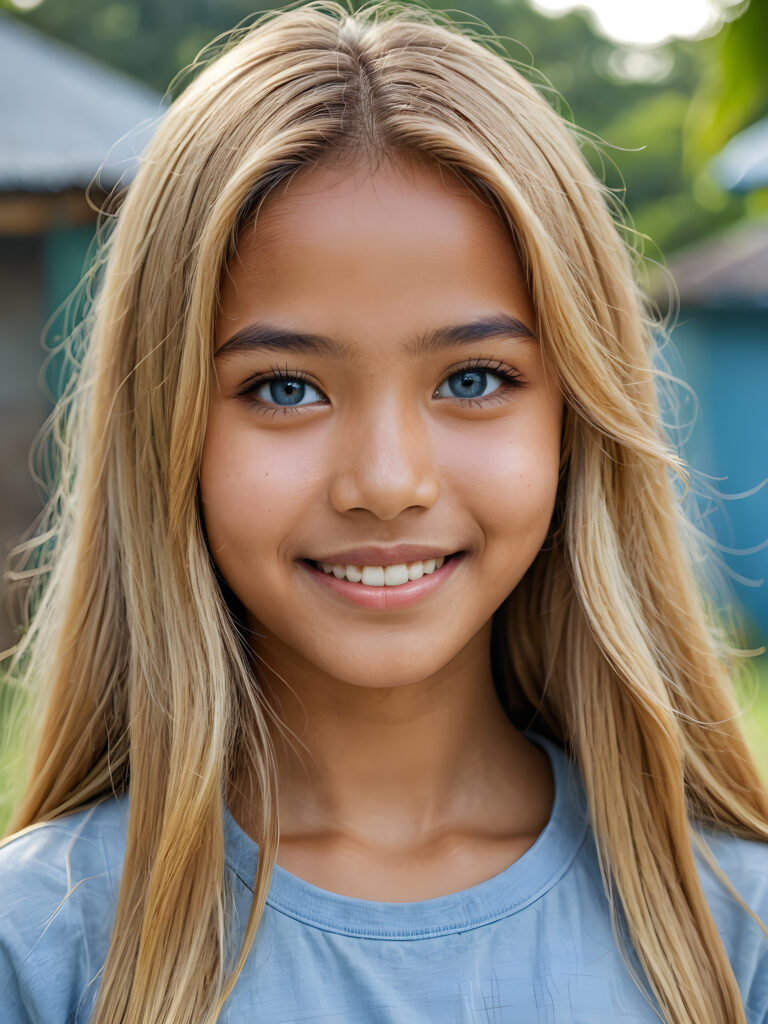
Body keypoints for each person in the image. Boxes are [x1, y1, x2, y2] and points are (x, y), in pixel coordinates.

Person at [1, 1, 766, 1021]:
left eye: (475, 377)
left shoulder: (733, 934)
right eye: (285, 387)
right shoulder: (38, 949)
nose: (388, 479)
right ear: (165, 431)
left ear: (578, 418)